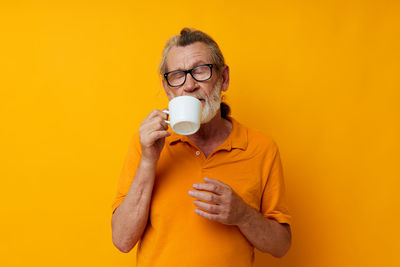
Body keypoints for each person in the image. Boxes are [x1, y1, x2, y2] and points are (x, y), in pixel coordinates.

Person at [111, 28, 292, 266]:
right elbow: (122, 239)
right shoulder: (147, 144)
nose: (189, 85)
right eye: (177, 75)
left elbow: (281, 246)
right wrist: (148, 160)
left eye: (200, 71)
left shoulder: (261, 148)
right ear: (168, 89)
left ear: (223, 78)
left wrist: (243, 215)